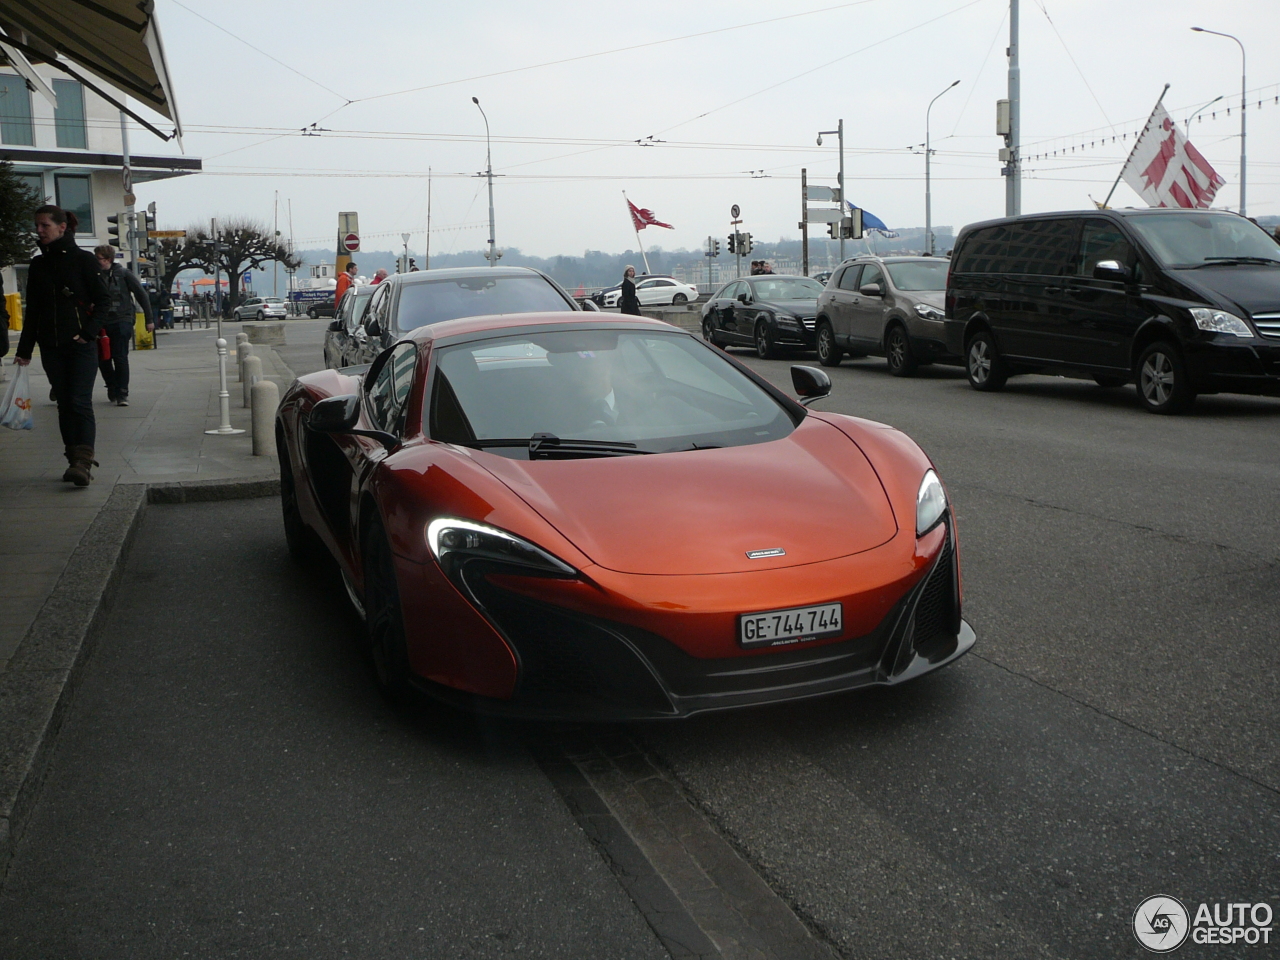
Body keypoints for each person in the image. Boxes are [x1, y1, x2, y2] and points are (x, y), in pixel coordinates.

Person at [14, 205, 110, 486]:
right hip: (51, 345)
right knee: (64, 403)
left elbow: (104, 301)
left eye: (45, 225)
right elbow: (33, 310)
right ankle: (73, 459)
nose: (39, 230)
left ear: (62, 227)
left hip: (79, 345)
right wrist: (24, 349)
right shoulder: (38, 264)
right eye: (37, 225)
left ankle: (83, 461)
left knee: (79, 401)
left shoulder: (83, 260)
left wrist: (88, 333)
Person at [94, 244, 154, 406]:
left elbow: (141, 295)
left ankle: (122, 392)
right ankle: (111, 385)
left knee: (120, 356)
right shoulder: (94, 274)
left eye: (98, 257)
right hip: (101, 322)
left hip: (122, 319)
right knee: (103, 357)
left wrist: (149, 319)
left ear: (107, 259)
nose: (95, 260)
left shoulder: (124, 274)